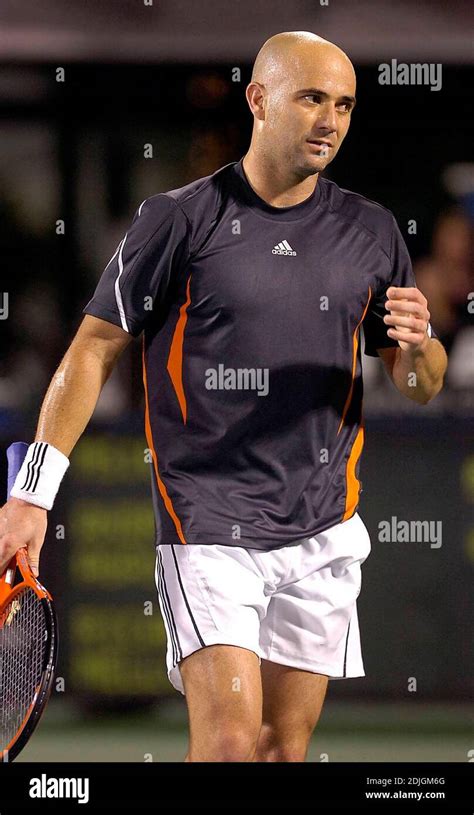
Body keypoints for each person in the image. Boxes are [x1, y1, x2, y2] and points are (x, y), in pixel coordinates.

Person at [0, 31, 447, 762]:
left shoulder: (370, 231)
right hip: (208, 523)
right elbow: (93, 350)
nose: (330, 120)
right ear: (260, 98)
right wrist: (33, 494)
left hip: (322, 527)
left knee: (279, 748)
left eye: (344, 104)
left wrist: (423, 345)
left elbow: (415, 382)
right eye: (311, 98)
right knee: (232, 743)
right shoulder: (176, 220)